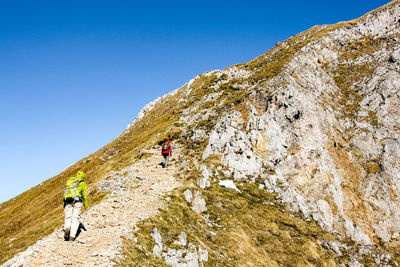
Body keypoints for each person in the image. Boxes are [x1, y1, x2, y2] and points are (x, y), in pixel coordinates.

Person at [63, 170, 88, 241]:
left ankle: (67, 228)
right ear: (83, 177)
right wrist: (85, 205)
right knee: (75, 218)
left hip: (67, 201)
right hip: (78, 201)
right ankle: (72, 236)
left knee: (68, 217)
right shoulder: (82, 183)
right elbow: (84, 195)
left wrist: (64, 204)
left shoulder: (70, 181)